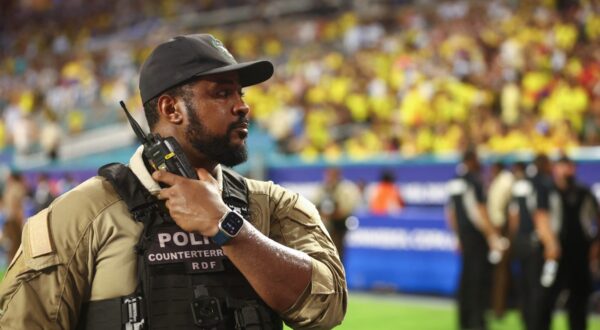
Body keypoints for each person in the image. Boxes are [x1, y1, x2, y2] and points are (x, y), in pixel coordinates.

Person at [0, 34, 347, 329]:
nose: (243, 107)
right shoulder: (80, 215)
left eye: (241, 94)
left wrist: (228, 227)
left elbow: (328, 309)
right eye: (222, 94)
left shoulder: (274, 205)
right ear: (171, 110)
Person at [533, 156, 599, 330]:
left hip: (579, 254)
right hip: (556, 253)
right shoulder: (548, 190)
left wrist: (595, 247)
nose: (566, 171)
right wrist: (550, 244)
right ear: (555, 169)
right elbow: (541, 218)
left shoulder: (584, 192)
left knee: (579, 302)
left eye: (569, 167)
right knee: (546, 299)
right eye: (562, 166)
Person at [446, 150, 503, 330]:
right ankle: (477, 322)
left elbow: (451, 213)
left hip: (464, 236)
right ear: (470, 161)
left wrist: (457, 236)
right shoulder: (473, 180)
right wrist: (492, 236)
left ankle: (464, 320)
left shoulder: (455, 180)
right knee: (478, 281)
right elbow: (478, 212)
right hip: (476, 238)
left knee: (466, 280)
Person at [315, 167, 361, 263]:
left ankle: (337, 275)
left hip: (339, 227)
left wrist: (332, 215)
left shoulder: (346, 188)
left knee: (337, 254)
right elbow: (315, 205)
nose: (330, 177)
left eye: (333, 174)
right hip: (323, 228)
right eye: (328, 174)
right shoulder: (322, 188)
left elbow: (346, 208)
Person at [486, 161, 514, 318]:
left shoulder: (504, 182)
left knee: (501, 271)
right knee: (502, 271)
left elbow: (497, 212)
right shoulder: (504, 181)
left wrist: (497, 236)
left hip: (503, 231)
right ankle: (500, 306)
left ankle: (499, 308)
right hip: (503, 230)